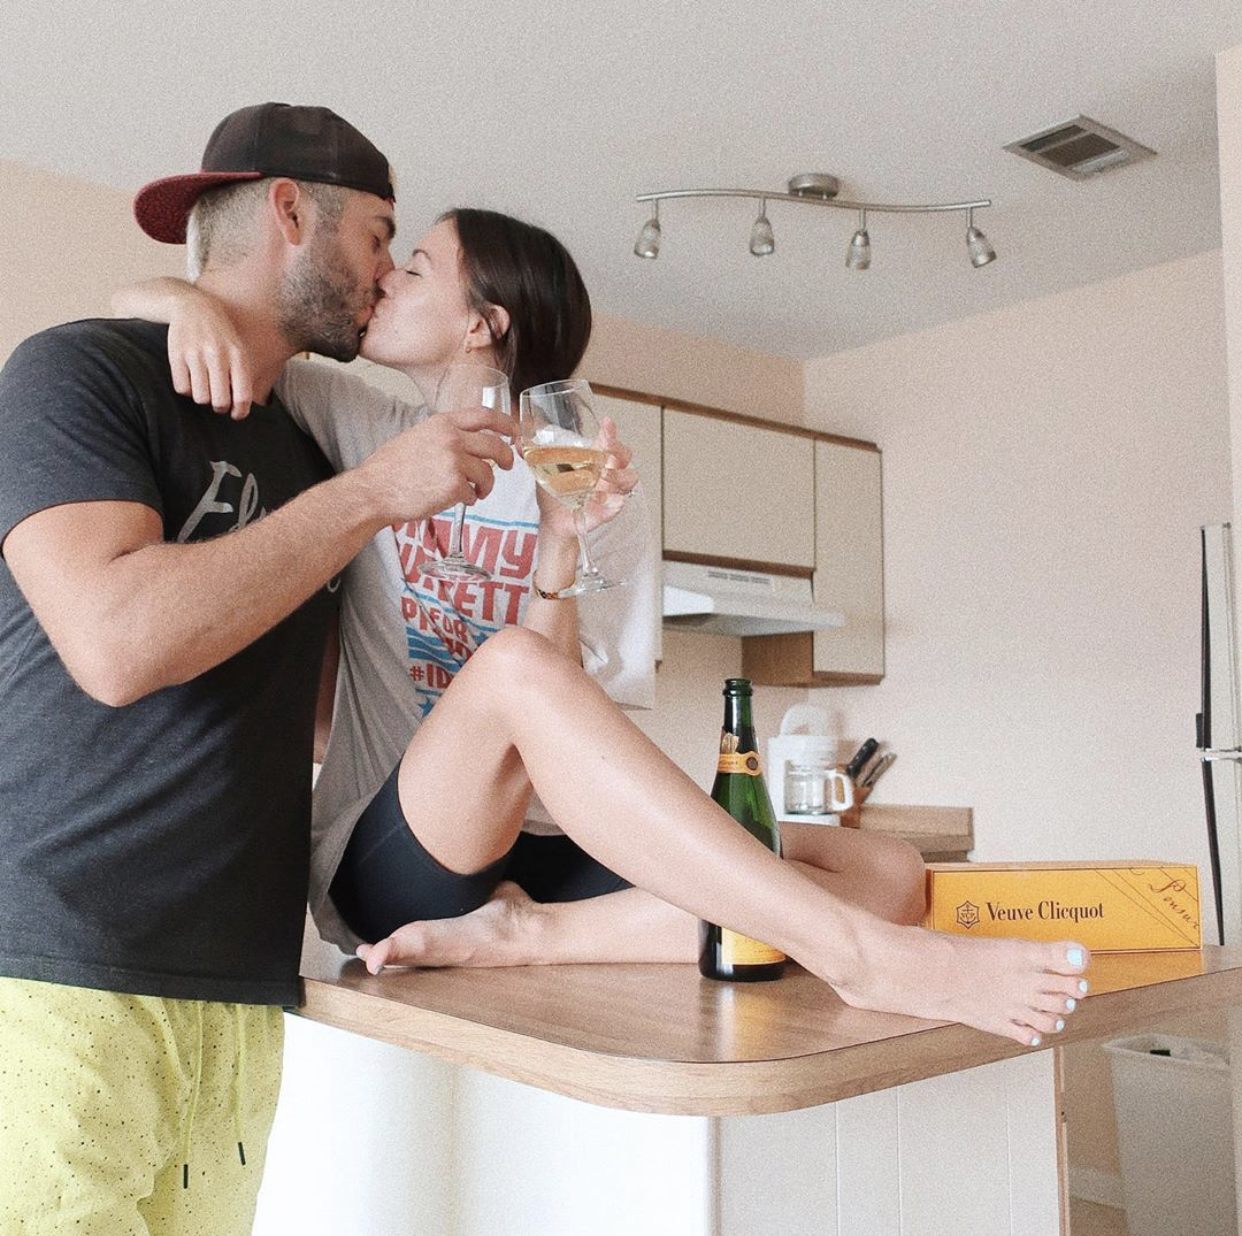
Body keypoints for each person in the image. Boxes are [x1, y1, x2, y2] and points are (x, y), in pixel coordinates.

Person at [116, 207, 1093, 1054]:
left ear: (482, 323)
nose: (384, 281)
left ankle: (533, 936)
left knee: (884, 870)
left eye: (414, 269)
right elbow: (132, 309)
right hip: (397, 857)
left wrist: (561, 544)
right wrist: (189, 304)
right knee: (508, 669)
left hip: (538, 850)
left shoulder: (586, 478)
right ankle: (859, 959)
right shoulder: (358, 423)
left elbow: (559, 715)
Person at [0, 103, 518, 1236]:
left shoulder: (306, 440)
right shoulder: (77, 371)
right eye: (377, 235)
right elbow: (116, 645)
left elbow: (324, 712)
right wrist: (375, 494)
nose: (384, 274)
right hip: (54, 970)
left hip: (239, 981)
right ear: (290, 210)